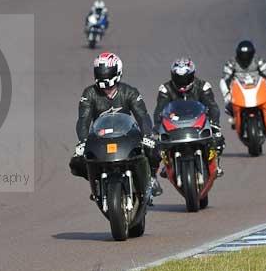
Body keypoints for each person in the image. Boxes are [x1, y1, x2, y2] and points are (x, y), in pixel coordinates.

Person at [69, 52, 163, 200]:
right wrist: (82, 141)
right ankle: (97, 182)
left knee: (153, 148)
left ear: (117, 72)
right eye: (100, 73)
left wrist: (147, 135)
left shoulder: (130, 92)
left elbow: (142, 115)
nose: (104, 78)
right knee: (77, 162)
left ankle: (151, 177)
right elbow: (83, 120)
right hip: (100, 138)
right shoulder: (89, 94)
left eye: (107, 73)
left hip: (127, 136)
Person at [154, 57, 225, 177]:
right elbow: (159, 110)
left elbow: (213, 107)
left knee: (218, 138)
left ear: (192, 75)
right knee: (157, 143)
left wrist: (214, 123)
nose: (182, 82)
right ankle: (167, 165)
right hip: (175, 126)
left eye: (185, 78)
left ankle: (215, 163)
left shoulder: (203, 87)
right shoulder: (165, 89)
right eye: (178, 78)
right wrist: (157, 125)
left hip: (198, 124)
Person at [219, 40, 266, 130]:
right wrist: (227, 93)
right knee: (227, 100)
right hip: (238, 88)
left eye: (247, 54)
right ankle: (234, 116)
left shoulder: (259, 61)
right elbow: (226, 78)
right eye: (242, 55)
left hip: (256, 86)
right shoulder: (232, 63)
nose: (245, 57)